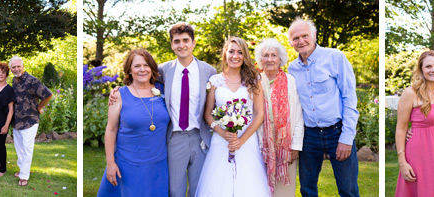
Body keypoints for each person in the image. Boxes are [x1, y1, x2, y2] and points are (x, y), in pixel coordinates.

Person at [106, 22, 217, 197]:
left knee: (200, 189)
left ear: (194, 43)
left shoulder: (209, 71)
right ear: (172, 45)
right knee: (174, 190)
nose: (182, 45)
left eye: (186, 40)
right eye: (177, 41)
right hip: (175, 138)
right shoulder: (163, 71)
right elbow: (140, 79)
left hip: (200, 137)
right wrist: (118, 91)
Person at [286, 18, 360, 197]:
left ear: (313, 36)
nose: (301, 41)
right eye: (296, 38)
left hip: (337, 131)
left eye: (305, 35)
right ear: (291, 43)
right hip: (309, 135)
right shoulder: (292, 69)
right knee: (307, 188)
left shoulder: (335, 57)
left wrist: (346, 138)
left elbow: (349, 99)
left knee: (348, 189)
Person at [197, 36, 269, 196]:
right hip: (221, 141)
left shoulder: (254, 80)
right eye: (231, 51)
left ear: (244, 56)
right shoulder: (214, 80)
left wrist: (241, 141)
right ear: (225, 54)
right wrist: (222, 133)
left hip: (247, 141)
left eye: (240, 52)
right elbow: (208, 113)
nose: (235, 56)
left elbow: (259, 114)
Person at [97, 49, 170, 196]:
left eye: (146, 65)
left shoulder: (163, 91)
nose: (142, 69)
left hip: (158, 165)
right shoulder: (119, 95)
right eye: (137, 66)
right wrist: (110, 164)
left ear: (152, 68)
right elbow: (111, 130)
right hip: (127, 166)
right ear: (129, 70)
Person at [394, 50, 434, 197]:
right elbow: (401, 129)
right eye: (428, 66)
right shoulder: (411, 93)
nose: (433, 70)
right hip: (420, 153)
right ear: (421, 69)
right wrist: (402, 163)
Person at [255, 38, 304, 196]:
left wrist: (295, 146)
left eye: (273, 55)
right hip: (260, 146)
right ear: (260, 59)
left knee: (284, 191)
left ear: (280, 58)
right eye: (265, 55)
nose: (269, 59)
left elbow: (298, 114)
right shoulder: (254, 82)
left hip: (286, 146)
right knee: (259, 188)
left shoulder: (290, 81)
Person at [10, 56, 53, 186]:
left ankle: (24, 176)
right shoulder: (14, 80)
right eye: (14, 67)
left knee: (27, 148)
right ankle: (22, 169)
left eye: (18, 66)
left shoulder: (32, 81)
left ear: (23, 67)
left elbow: (48, 94)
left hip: (30, 120)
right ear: (11, 69)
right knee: (19, 148)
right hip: (16, 121)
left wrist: (39, 107)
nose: (16, 69)